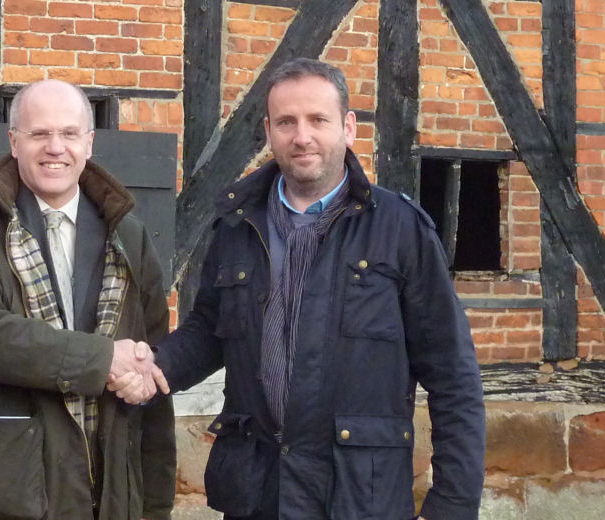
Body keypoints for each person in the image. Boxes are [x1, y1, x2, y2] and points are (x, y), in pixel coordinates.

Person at [152, 58, 486, 519]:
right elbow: (209, 330)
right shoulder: (238, 225)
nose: (301, 136)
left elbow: (454, 376)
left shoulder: (400, 230)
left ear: (348, 128)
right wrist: (151, 368)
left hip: (357, 499)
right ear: (269, 130)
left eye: (317, 120)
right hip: (259, 494)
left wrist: (451, 505)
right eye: (287, 122)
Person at [0, 79, 175, 520]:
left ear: (90, 142)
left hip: (112, 492)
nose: (55, 147)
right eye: (39, 134)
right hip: (6, 490)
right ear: (13, 141)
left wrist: (155, 504)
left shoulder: (129, 236)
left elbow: (151, 371)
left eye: (69, 133)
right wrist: (101, 361)